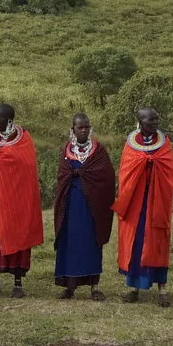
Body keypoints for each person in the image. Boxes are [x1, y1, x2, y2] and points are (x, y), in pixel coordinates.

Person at [114, 108, 173, 305]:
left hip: (156, 200)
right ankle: (133, 288)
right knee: (135, 242)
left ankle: (162, 290)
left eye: (157, 119)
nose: (156, 123)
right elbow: (126, 170)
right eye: (151, 120)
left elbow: (169, 170)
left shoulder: (164, 143)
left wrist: (153, 163)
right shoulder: (131, 144)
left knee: (157, 241)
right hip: (136, 202)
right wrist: (144, 163)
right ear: (141, 122)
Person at [0, 102, 42, 294]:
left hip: (17, 199)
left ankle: (17, 283)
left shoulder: (23, 139)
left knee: (18, 236)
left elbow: (26, 164)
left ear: (9, 120)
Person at [51, 112, 116, 299]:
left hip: (92, 206)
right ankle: (69, 286)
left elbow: (107, 177)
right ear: (73, 129)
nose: (84, 130)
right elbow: (62, 176)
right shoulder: (66, 151)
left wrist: (86, 177)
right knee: (69, 242)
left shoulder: (99, 151)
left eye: (87, 127)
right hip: (70, 204)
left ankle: (94, 286)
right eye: (80, 127)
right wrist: (73, 175)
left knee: (91, 242)